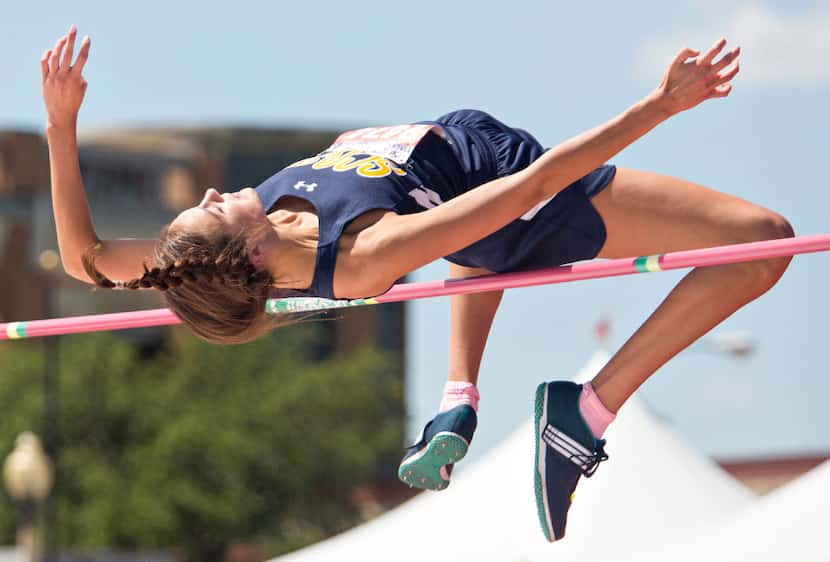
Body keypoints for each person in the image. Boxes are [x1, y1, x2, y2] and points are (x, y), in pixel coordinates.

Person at [42, 26, 792, 542]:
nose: (211, 196)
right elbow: (533, 186)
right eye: (210, 210)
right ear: (252, 255)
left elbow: (86, 257)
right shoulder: (367, 253)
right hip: (510, 193)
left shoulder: (214, 252)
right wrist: (659, 106)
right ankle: (588, 408)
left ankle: (455, 403)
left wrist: (61, 125)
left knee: (465, 243)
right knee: (763, 242)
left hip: (457, 172)